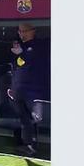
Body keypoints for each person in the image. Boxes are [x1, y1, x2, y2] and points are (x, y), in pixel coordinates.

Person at [7, 23, 50, 157]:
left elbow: (31, 61)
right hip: (19, 92)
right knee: (25, 120)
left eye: (25, 31)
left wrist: (22, 53)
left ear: (33, 31)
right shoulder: (19, 48)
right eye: (20, 31)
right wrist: (13, 89)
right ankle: (28, 145)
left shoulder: (41, 45)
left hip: (36, 91)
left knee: (38, 119)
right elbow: (17, 69)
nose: (22, 34)